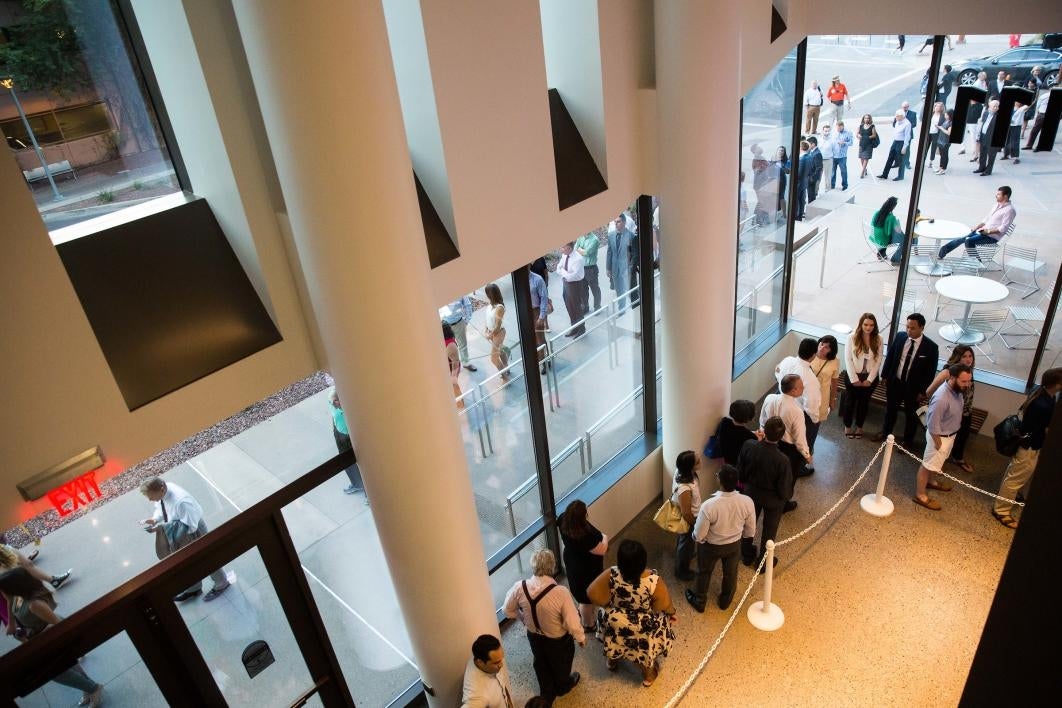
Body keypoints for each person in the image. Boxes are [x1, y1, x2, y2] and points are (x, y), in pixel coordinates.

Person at [0, 568, 103, 707]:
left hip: (49, 637)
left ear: (15, 587)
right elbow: (9, 602)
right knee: (68, 666)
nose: (3, 593)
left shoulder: (34, 604)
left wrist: (36, 636)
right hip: (37, 637)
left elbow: (58, 624)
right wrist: (12, 624)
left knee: (57, 673)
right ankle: (88, 688)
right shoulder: (16, 596)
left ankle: (94, 689)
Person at [587, 539, 676, 687]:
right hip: (642, 627)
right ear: (643, 560)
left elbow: (591, 592)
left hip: (616, 621)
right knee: (649, 638)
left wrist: (608, 605)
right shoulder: (653, 580)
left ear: (620, 561)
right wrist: (672, 612)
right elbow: (663, 605)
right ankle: (648, 676)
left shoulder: (612, 573)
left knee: (614, 634)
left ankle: (612, 661)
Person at [503, 549, 583, 706]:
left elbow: (507, 610)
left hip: (534, 636)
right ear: (552, 567)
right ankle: (562, 686)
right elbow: (572, 622)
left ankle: (546, 693)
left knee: (540, 662)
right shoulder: (560, 592)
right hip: (558, 640)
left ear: (533, 566)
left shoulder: (520, 587)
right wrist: (580, 638)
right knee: (562, 663)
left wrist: (523, 619)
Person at [139, 477, 231, 602]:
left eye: (150, 496)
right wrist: (155, 519)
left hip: (194, 530)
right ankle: (194, 589)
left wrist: (161, 529)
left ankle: (222, 583)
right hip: (181, 528)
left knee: (207, 558)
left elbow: (190, 526)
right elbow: (160, 508)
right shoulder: (165, 489)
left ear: (161, 489)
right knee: (187, 563)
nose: (150, 500)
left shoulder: (181, 501)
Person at [991, 368, 1062, 529]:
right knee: (1015, 479)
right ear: (1057, 385)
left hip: (1028, 444)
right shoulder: (1044, 405)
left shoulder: (1042, 393)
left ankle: (1009, 498)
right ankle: (1001, 510)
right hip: (1030, 446)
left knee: (1014, 475)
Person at [684, 464, 756, 613]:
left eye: (717, 475)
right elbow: (750, 530)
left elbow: (699, 534)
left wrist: (697, 538)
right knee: (731, 574)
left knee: (703, 572)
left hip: (711, 547)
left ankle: (700, 601)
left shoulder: (709, 505)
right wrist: (743, 538)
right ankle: (725, 601)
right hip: (734, 545)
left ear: (720, 481)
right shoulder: (747, 501)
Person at [873, 314, 940, 449]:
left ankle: (908, 441)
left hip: (913, 389)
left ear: (921, 327)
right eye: (907, 327)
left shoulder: (931, 347)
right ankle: (886, 432)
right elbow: (891, 356)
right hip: (895, 383)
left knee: (911, 416)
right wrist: (885, 376)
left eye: (913, 328)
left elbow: (930, 372)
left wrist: (923, 391)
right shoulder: (900, 337)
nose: (909, 330)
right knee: (890, 410)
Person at [912, 364, 972, 511]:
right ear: (952, 378)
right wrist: (938, 444)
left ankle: (931, 482)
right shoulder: (941, 398)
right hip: (939, 438)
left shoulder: (957, 390)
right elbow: (932, 425)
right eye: (964, 381)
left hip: (949, 435)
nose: (967, 385)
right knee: (927, 466)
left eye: (969, 381)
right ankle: (920, 495)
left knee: (935, 464)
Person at [737, 417, 794, 569]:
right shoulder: (783, 460)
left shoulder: (749, 445)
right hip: (773, 500)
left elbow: (740, 472)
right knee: (769, 529)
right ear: (781, 436)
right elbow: (784, 488)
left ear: (764, 431)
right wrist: (785, 498)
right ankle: (763, 563)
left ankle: (746, 554)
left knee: (749, 525)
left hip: (750, 493)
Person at [760, 374, 812, 498]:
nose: (803, 387)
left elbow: (762, 420)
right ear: (793, 390)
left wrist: (763, 435)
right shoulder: (796, 411)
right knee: (787, 477)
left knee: (769, 471)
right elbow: (799, 438)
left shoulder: (769, 398)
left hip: (768, 441)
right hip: (788, 449)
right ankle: (784, 501)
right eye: (800, 386)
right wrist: (807, 455)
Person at [558, 500, 607, 631]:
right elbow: (602, 549)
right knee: (586, 599)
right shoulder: (585, 535)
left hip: (572, 562)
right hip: (587, 568)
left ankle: (584, 614)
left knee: (580, 594)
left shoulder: (563, 519)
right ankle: (588, 624)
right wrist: (605, 537)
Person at [926, 346, 977, 473]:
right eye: (964, 356)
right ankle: (936, 464)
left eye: (970, 356)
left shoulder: (967, 371)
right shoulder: (948, 372)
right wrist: (937, 403)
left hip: (964, 410)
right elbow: (929, 391)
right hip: (948, 412)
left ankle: (955, 458)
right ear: (957, 357)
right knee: (940, 442)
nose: (968, 359)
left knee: (962, 436)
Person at [775, 338, 822, 469]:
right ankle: (800, 466)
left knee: (781, 434)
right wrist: (815, 419)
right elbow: (811, 404)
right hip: (799, 411)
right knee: (801, 438)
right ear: (813, 355)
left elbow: (777, 372)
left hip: (781, 400)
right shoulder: (810, 379)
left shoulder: (787, 361)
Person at [937, 186, 1015, 260]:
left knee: (969, 241)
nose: (996, 195)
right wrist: (976, 228)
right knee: (962, 237)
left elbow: (1003, 228)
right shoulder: (997, 205)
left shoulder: (1010, 210)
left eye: (998, 194)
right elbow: (986, 219)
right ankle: (941, 253)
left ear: (1005, 196)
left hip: (991, 237)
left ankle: (977, 264)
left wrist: (987, 232)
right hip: (982, 231)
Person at [843, 313, 884, 439]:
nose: (868, 327)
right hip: (853, 375)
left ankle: (859, 427)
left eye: (871, 325)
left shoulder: (878, 339)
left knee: (864, 403)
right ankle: (848, 426)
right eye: (866, 324)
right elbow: (848, 359)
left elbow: (878, 360)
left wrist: (870, 380)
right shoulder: (852, 337)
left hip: (869, 377)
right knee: (850, 402)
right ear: (861, 324)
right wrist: (854, 379)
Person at [670, 450, 702, 581]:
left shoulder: (682, 472)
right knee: (686, 543)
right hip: (690, 519)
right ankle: (682, 571)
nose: (701, 461)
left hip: (692, 516)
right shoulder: (685, 488)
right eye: (697, 461)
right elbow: (686, 513)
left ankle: (683, 556)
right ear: (690, 466)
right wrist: (695, 523)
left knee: (684, 541)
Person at [329, 387, 366, 497]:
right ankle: (357, 483)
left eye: (338, 401)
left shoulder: (349, 410)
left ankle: (366, 490)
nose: (336, 403)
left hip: (349, 436)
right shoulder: (331, 401)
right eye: (334, 401)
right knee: (347, 462)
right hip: (340, 433)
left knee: (359, 461)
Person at [461, 634, 515, 708]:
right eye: (496, 662)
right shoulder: (478, 694)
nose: (501, 665)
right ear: (480, 662)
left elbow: (502, 685)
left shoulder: (481, 658)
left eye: (501, 659)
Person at [556, 242, 587, 338]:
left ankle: (581, 329)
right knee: (569, 306)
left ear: (569, 248)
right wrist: (565, 273)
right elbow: (558, 268)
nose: (561, 249)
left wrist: (563, 273)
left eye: (563, 247)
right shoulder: (565, 255)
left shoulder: (578, 259)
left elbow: (573, 276)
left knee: (576, 307)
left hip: (575, 285)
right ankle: (574, 327)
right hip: (566, 284)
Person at [716, 400, 759, 466]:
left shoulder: (724, 422)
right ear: (749, 418)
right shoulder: (750, 436)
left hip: (725, 460)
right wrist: (759, 439)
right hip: (739, 465)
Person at [606, 213, 636, 309]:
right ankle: (621, 310)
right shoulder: (611, 235)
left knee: (629, 291)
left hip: (627, 269)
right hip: (615, 268)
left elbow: (634, 254)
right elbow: (609, 252)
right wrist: (608, 268)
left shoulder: (631, 236)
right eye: (615, 222)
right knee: (619, 291)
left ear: (624, 222)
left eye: (618, 222)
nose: (616, 224)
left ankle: (633, 308)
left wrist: (631, 267)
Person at [869, 196, 909, 265]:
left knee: (882, 234)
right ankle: (895, 260)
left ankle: (881, 253)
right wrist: (897, 221)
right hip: (883, 241)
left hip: (873, 237)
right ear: (893, 207)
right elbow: (892, 232)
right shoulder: (891, 218)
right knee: (903, 239)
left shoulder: (877, 213)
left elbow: (872, 224)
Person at [442, 296, 477, 372]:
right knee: (447, 346)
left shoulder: (458, 291)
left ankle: (466, 363)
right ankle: (450, 367)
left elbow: (467, 305)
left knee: (463, 345)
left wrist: (467, 320)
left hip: (458, 322)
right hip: (444, 325)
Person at [812, 335, 840, 426]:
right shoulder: (811, 354)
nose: (822, 348)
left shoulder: (835, 360)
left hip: (823, 394)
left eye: (827, 347)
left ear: (831, 350)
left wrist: (832, 399)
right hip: (808, 390)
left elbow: (834, 382)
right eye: (822, 344)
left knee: (817, 420)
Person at [878, 110, 911, 181]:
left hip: (901, 143)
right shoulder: (897, 121)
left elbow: (907, 136)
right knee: (890, 158)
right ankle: (884, 175)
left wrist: (904, 147)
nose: (895, 117)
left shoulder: (907, 124)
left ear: (902, 116)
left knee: (901, 160)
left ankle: (900, 176)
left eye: (897, 116)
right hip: (895, 142)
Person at [528, 268, 550, 375]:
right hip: (526, 313)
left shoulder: (537, 279)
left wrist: (541, 317)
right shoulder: (520, 280)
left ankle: (544, 363)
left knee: (540, 339)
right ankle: (544, 358)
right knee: (532, 339)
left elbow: (544, 298)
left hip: (536, 311)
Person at [574, 232, 602, 312]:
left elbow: (587, 253)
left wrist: (580, 249)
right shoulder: (580, 237)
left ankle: (597, 307)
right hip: (581, 268)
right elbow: (575, 249)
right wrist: (581, 250)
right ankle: (585, 307)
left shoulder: (594, 239)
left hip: (591, 269)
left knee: (595, 289)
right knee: (583, 290)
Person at [973, 99, 1001, 176]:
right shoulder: (986, 113)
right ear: (989, 106)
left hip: (992, 138)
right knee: (982, 153)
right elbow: (982, 123)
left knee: (991, 155)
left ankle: (988, 171)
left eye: (997, 106)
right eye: (994, 106)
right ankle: (981, 167)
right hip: (983, 135)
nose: (996, 108)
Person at [1001, 100, 1028, 164]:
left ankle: (1016, 157)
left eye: (1018, 101)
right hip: (1009, 126)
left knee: (1015, 141)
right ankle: (1006, 154)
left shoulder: (1022, 109)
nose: (1017, 102)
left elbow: (1027, 106)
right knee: (1007, 140)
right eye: (1016, 101)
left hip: (1016, 126)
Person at [444, 322, 464, 403]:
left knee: (454, 386)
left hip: (453, 369)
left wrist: (453, 376)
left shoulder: (450, 344)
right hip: (448, 368)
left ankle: (460, 404)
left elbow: (455, 362)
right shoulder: (445, 340)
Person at [769, 146, 790, 222]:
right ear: (777, 151)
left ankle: (784, 214)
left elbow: (788, 171)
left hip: (782, 180)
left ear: (784, 153)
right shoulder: (773, 158)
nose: (781, 152)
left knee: (781, 196)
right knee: (772, 196)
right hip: (773, 179)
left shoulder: (785, 161)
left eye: (782, 151)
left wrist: (783, 166)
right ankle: (772, 214)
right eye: (779, 150)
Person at [830, 121, 853, 190]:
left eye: (839, 128)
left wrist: (844, 143)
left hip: (842, 156)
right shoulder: (833, 133)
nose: (838, 130)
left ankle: (845, 186)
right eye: (837, 128)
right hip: (833, 156)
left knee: (843, 172)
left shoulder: (848, 133)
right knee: (833, 172)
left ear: (842, 126)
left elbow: (851, 143)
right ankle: (832, 185)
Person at [857, 114, 878, 179]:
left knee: (866, 158)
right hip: (861, 144)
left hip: (869, 145)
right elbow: (857, 134)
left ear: (870, 119)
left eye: (868, 118)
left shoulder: (872, 126)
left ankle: (862, 172)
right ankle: (865, 169)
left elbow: (874, 135)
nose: (866, 119)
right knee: (861, 158)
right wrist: (858, 136)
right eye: (865, 118)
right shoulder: (860, 126)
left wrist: (867, 137)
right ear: (863, 119)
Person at [933, 108, 953, 175]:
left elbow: (949, 133)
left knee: (944, 155)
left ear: (949, 115)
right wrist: (939, 127)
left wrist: (941, 128)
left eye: (946, 115)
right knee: (942, 155)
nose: (945, 115)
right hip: (941, 141)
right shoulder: (946, 121)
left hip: (946, 142)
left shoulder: (951, 123)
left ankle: (943, 169)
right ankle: (940, 167)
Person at [795, 140, 811, 220]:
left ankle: (796, 215)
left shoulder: (802, 159)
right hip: (804, 182)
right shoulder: (809, 157)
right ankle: (800, 214)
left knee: (797, 200)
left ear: (801, 148)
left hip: (799, 182)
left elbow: (799, 173)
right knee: (802, 200)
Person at [926, 102, 944, 170]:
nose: (937, 108)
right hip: (929, 133)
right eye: (936, 106)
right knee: (926, 147)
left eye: (939, 107)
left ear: (941, 108)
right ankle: (923, 160)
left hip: (936, 134)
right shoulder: (931, 114)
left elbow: (943, 125)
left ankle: (931, 161)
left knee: (933, 148)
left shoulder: (942, 116)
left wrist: (939, 127)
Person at [817, 124, 834, 193]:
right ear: (823, 131)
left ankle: (828, 191)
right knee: (818, 177)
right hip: (819, 160)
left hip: (828, 160)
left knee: (828, 177)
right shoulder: (819, 140)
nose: (826, 132)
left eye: (828, 131)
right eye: (825, 131)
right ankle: (816, 191)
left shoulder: (832, 140)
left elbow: (835, 150)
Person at [806, 136, 823, 204]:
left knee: (812, 196)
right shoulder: (812, 152)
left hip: (812, 179)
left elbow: (819, 168)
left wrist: (812, 178)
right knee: (810, 195)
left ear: (813, 144)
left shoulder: (817, 154)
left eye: (809, 144)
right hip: (809, 178)